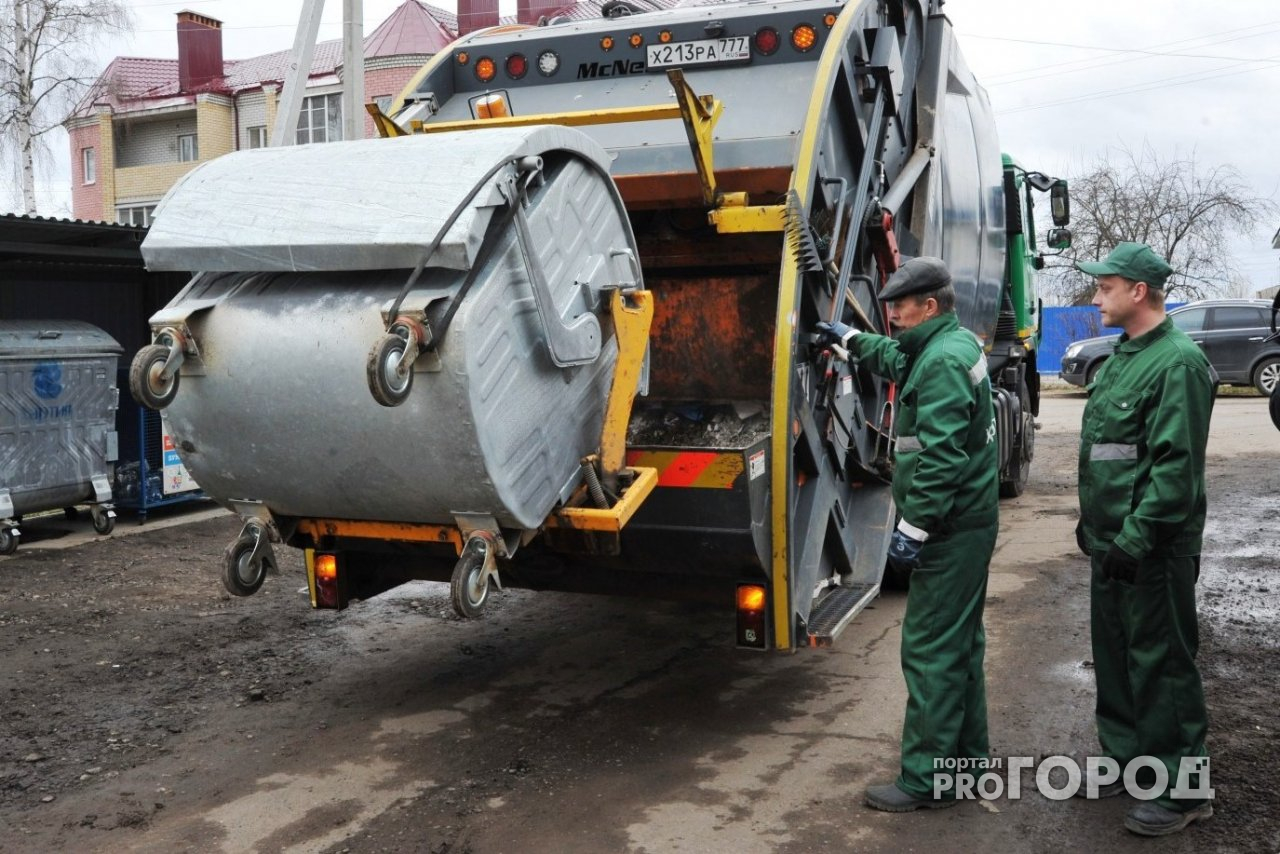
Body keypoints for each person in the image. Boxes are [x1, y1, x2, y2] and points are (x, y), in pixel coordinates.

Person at [818, 256, 999, 812]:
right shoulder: (948, 346)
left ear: (931, 306)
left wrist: (913, 528)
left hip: (949, 526)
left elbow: (942, 457)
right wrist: (851, 338)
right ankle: (965, 764)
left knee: (930, 651)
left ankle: (929, 781)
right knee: (959, 646)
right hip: (967, 522)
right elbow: (898, 357)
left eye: (900, 306)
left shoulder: (943, 362)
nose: (891, 314)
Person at [1074, 242, 1214, 836]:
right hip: (1111, 541)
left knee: (1163, 666)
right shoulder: (1121, 359)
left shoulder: (1176, 362)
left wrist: (1136, 537)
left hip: (1152, 546)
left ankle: (1183, 791)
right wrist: (1096, 527)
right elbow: (1110, 454)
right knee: (1116, 656)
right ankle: (1130, 762)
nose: (1095, 297)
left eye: (1104, 288)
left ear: (1138, 292)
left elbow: (1173, 470)